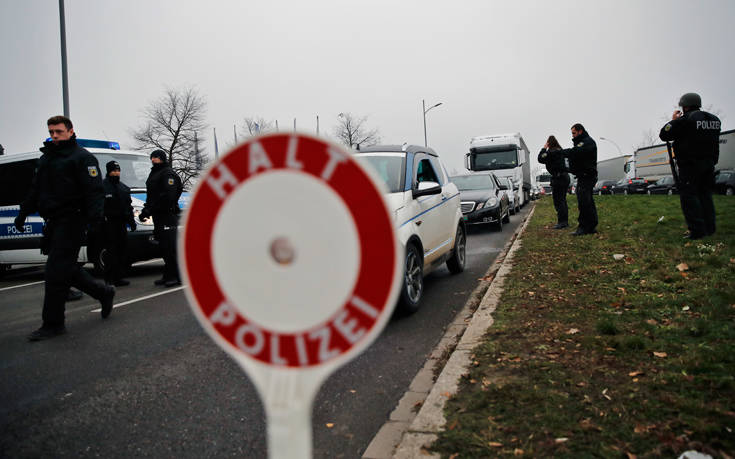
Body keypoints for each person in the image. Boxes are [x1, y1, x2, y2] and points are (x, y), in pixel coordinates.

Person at [14, 115, 115, 341]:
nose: (54, 135)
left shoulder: (82, 158)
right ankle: (103, 292)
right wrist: (23, 213)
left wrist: (95, 221)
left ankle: (53, 324)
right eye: (51, 132)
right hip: (53, 221)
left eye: (58, 131)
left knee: (54, 271)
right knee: (65, 269)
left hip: (73, 220)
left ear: (70, 131)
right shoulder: (47, 158)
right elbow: (35, 189)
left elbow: (94, 192)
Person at [659, 92, 721, 239]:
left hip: (690, 166)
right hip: (709, 164)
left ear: (685, 106)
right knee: (705, 196)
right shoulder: (715, 120)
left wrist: (674, 120)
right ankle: (709, 228)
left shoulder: (686, 120)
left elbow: (664, 134)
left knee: (689, 198)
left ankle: (697, 231)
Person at [139, 150, 183, 287]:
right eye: (152, 157)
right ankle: (168, 274)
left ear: (162, 158)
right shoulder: (155, 173)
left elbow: (168, 196)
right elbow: (152, 195)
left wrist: (152, 208)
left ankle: (177, 276)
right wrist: (147, 209)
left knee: (170, 247)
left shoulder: (168, 173)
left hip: (167, 215)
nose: (153, 159)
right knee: (164, 247)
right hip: (158, 215)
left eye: (156, 157)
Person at [102, 160, 136, 286]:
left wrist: (131, 222)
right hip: (108, 223)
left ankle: (118, 277)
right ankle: (109, 278)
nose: (116, 173)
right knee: (111, 252)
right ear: (108, 171)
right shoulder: (103, 187)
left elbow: (128, 207)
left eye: (117, 170)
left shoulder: (123, 188)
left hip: (121, 223)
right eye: (113, 170)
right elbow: (99, 206)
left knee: (121, 250)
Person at [560, 123, 598, 235]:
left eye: (574, 133)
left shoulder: (586, 142)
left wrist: (560, 152)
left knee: (584, 203)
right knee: (588, 202)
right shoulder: (584, 142)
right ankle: (591, 226)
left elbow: (575, 152)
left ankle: (584, 227)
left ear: (580, 131)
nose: (572, 136)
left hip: (587, 176)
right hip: (584, 176)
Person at [538, 135, 570, 229]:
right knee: (562, 200)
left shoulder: (550, 153)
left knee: (558, 201)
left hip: (558, 178)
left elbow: (540, 158)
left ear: (549, 143)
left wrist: (544, 148)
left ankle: (562, 222)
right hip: (565, 177)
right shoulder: (560, 150)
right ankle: (564, 221)